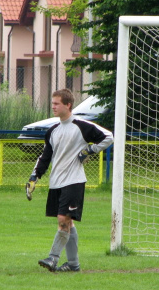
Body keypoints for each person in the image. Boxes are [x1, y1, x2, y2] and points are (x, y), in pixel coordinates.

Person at [28, 89, 113, 272]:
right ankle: (74, 265)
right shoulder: (52, 131)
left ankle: (53, 258)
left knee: (62, 219)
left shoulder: (81, 125)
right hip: (56, 182)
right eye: (52, 103)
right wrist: (34, 176)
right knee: (68, 222)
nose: (53, 106)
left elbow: (108, 137)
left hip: (74, 181)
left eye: (57, 103)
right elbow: (45, 157)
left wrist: (90, 151)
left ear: (68, 105)